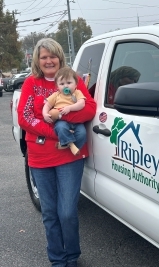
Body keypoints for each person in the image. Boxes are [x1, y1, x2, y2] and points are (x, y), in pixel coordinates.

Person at [17, 38, 96, 267]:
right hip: (40, 158)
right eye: (43, 57)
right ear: (37, 60)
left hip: (69, 157)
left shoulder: (73, 80)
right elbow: (25, 117)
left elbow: (89, 108)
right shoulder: (31, 83)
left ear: (60, 57)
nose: (49, 61)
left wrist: (61, 116)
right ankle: (58, 259)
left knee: (68, 212)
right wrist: (57, 133)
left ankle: (72, 256)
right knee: (50, 213)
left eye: (52, 56)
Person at [42, 67, 87, 155]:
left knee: (82, 133)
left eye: (69, 83)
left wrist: (70, 108)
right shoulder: (56, 95)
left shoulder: (77, 93)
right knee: (61, 129)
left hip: (76, 122)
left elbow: (81, 104)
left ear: (75, 84)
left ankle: (65, 144)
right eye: (62, 84)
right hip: (61, 121)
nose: (66, 86)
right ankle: (70, 145)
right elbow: (47, 105)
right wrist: (45, 114)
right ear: (57, 86)